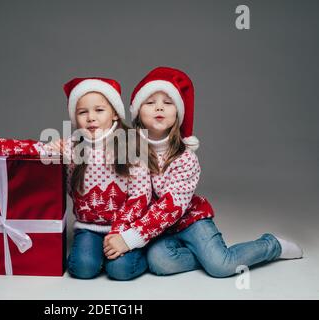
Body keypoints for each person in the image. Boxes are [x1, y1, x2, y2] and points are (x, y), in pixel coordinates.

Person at [0, 77, 152, 280]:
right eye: (82, 112)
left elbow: (140, 196)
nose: (91, 118)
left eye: (99, 110)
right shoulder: (70, 146)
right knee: (82, 268)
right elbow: (33, 149)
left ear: (114, 114)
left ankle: (141, 252)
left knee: (120, 271)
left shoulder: (130, 146)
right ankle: (99, 254)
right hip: (89, 228)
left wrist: (120, 233)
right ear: (75, 118)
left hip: (125, 228)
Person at [119, 66, 303, 278]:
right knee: (160, 262)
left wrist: (132, 237)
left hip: (189, 219)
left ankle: (272, 245)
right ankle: (206, 256)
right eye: (150, 103)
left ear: (178, 113)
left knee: (221, 267)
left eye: (168, 103)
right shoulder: (130, 151)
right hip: (158, 227)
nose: (159, 108)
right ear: (137, 113)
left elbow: (172, 206)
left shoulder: (185, 158)